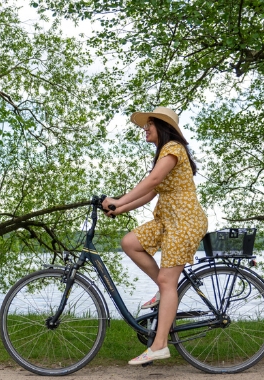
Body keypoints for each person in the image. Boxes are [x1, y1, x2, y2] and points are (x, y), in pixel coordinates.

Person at [103, 106, 208, 365]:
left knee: (167, 280)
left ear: (162, 127)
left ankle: (160, 345)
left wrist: (118, 200)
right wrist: (120, 208)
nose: (144, 129)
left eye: (149, 124)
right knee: (130, 242)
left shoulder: (173, 149)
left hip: (184, 222)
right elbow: (152, 192)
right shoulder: (164, 153)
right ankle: (165, 289)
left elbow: (152, 181)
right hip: (166, 219)